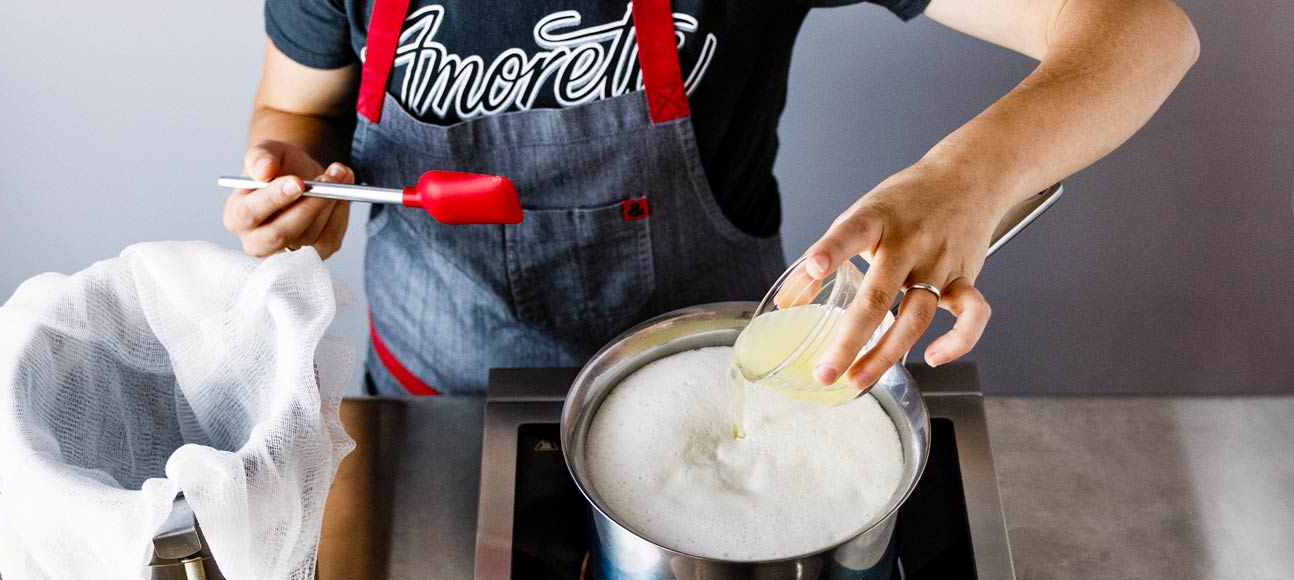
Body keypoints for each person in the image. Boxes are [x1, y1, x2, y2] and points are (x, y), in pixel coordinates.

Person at [224, 0, 1197, 396]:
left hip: (710, 393)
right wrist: (293, 188)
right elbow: (293, 110)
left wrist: (967, 179)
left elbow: (1147, 33)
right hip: (437, 413)